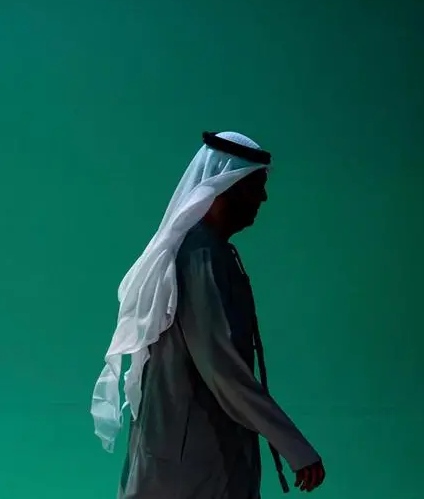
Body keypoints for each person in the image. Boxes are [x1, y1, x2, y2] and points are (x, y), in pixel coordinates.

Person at [90, 132, 326, 498]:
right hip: (190, 464)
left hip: (197, 455)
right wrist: (294, 446)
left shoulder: (211, 253)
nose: (263, 198)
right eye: (256, 187)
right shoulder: (200, 258)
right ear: (228, 188)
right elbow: (222, 367)